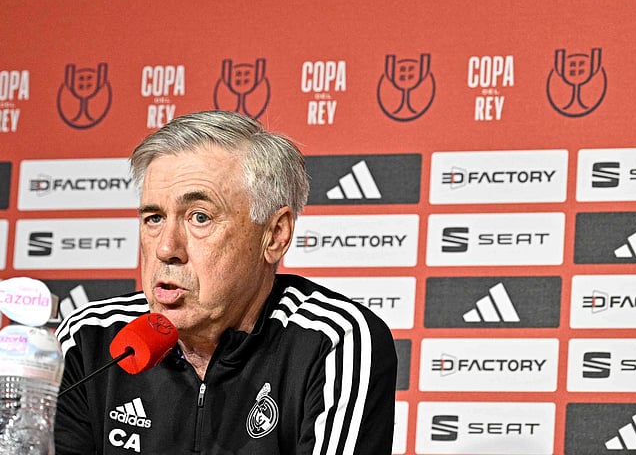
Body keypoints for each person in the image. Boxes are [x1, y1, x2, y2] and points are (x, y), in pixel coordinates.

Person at [53, 110, 398, 454]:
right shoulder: (91, 340)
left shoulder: (332, 342)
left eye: (199, 217)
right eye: (154, 218)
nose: (166, 248)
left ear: (275, 235)